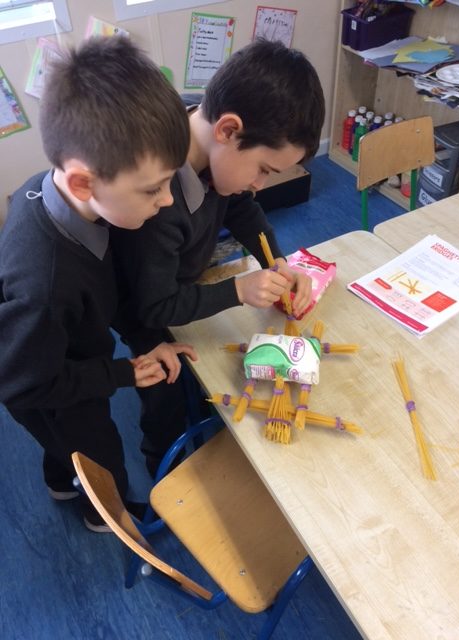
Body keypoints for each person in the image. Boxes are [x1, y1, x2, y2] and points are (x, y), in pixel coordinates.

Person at [0, 36, 196, 532]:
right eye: (153, 189)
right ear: (83, 183)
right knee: (97, 452)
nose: (167, 200)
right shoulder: (47, 286)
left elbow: (110, 286)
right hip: (42, 378)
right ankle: (104, 515)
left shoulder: (54, 191)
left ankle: (61, 481)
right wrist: (122, 374)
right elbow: (30, 383)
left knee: (62, 445)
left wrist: (146, 339)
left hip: (54, 350)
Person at [110, 39, 326, 476]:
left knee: (204, 363)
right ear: (228, 130)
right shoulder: (158, 199)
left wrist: (277, 262)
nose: (260, 184)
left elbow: (242, 205)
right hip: (144, 306)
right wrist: (239, 291)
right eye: (264, 169)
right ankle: (165, 467)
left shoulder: (209, 136)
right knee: (166, 387)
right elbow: (155, 306)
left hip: (177, 279)